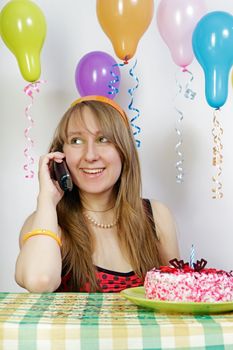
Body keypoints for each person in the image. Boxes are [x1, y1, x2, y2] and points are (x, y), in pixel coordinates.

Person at [15, 95, 179, 293]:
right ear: (60, 155)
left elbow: (176, 296)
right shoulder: (45, 221)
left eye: (103, 139)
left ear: (123, 150)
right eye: (76, 141)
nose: (91, 155)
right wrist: (46, 200)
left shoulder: (156, 216)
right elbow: (39, 281)